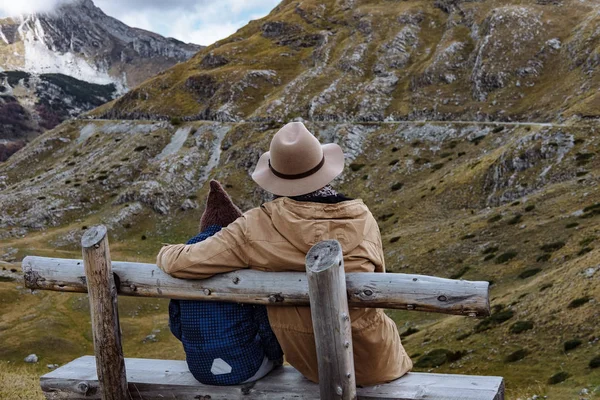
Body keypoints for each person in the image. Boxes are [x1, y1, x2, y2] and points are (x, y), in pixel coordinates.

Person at [157, 121, 412, 386]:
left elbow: (180, 263)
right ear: (325, 170)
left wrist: (167, 251)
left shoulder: (256, 225)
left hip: (315, 365)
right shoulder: (362, 217)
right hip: (379, 360)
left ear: (276, 179)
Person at [168, 180, 283, 385]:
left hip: (199, 370)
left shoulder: (183, 261)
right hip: (246, 369)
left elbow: (176, 324)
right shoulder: (241, 259)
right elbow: (264, 324)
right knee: (270, 362)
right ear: (234, 229)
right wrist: (276, 357)